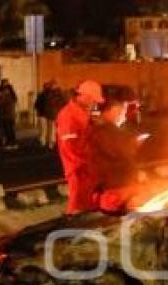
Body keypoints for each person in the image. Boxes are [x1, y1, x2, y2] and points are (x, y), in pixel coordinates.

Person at [86, 99, 146, 214]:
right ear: (112, 111)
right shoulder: (105, 131)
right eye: (121, 112)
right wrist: (133, 144)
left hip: (114, 184)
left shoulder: (101, 129)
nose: (123, 116)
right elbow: (119, 151)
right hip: (115, 186)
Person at [56, 80, 105, 215]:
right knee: (77, 204)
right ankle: (73, 228)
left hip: (86, 168)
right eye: (93, 100)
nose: (94, 104)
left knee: (88, 203)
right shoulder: (68, 116)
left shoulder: (82, 112)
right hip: (78, 169)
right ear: (85, 96)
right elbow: (71, 149)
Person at [35, 80, 65, 149]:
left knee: (50, 129)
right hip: (49, 113)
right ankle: (49, 142)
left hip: (51, 113)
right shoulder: (51, 94)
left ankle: (49, 142)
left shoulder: (51, 94)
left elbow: (61, 103)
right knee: (50, 129)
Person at [0, 78, 19, 149]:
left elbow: (0, 102)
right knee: (9, 129)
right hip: (8, 115)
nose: (4, 91)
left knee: (9, 130)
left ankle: (11, 143)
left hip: (7, 115)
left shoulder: (8, 97)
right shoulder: (11, 96)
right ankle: (10, 142)